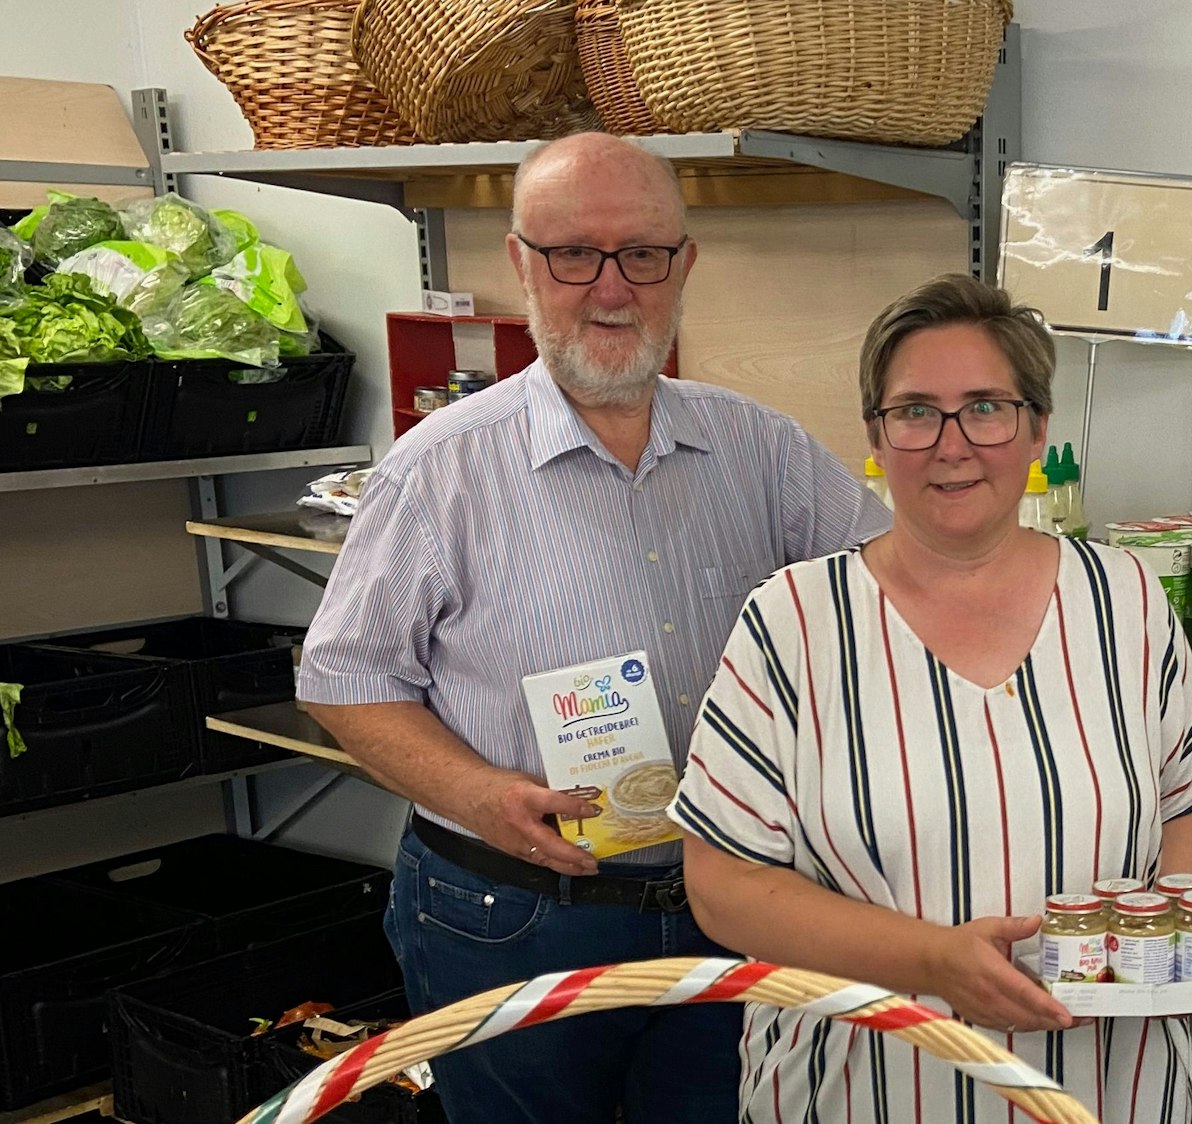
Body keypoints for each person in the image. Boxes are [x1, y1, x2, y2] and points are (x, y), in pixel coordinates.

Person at [298, 132, 892, 1123]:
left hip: (724, 899)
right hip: (513, 913)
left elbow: (891, 593)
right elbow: (344, 680)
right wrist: (479, 792)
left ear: (683, 265)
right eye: (573, 252)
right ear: (524, 263)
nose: (610, 287)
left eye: (642, 254)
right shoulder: (438, 469)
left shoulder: (761, 445)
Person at [667, 273, 1192, 1122]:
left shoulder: (1126, 599)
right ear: (876, 436)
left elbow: (1187, 808)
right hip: (864, 1088)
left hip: (1105, 1084)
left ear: (1037, 427)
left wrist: (1176, 959)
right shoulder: (792, 620)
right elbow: (721, 887)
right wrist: (934, 962)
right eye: (916, 411)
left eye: (986, 408)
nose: (951, 443)